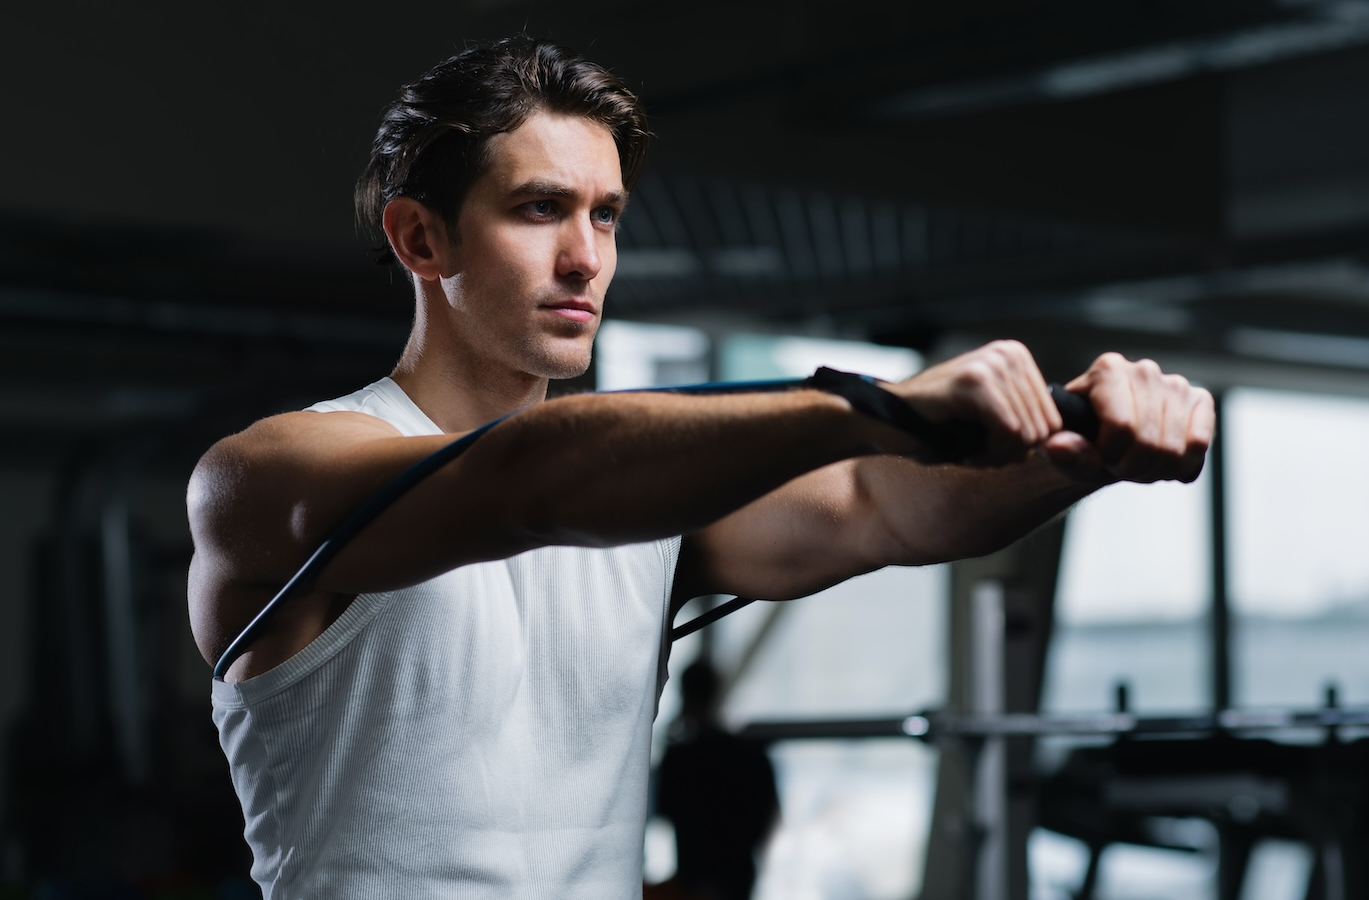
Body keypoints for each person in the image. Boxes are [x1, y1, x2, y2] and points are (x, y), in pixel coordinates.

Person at [185, 35, 1214, 900]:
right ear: (420, 238)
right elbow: (516, 486)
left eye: (606, 214)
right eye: (540, 209)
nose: (587, 256)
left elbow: (879, 506)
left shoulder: (646, 506)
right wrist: (877, 404)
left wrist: (1078, 458)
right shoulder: (268, 472)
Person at [656, 660, 779, 900]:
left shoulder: (680, 758)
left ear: (685, 695)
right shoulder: (752, 754)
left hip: (694, 874)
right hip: (737, 875)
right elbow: (764, 821)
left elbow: (665, 810)